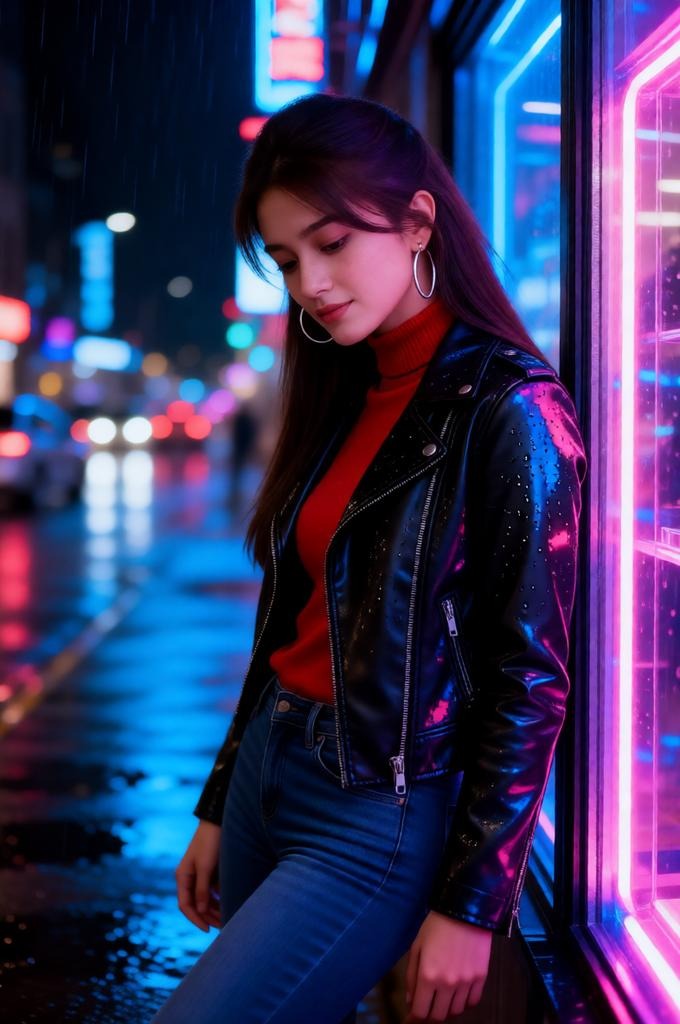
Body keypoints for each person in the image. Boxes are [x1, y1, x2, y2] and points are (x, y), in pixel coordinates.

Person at [150, 93, 587, 1024]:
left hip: (375, 814)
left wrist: (473, 905)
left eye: (334, 241)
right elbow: (289, 622)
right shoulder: (341, 389)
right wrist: (222, 798)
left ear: (419, 221)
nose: (310, 280)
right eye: (286, 259)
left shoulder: (509, 408)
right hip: (274, 768)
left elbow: (531, 678)